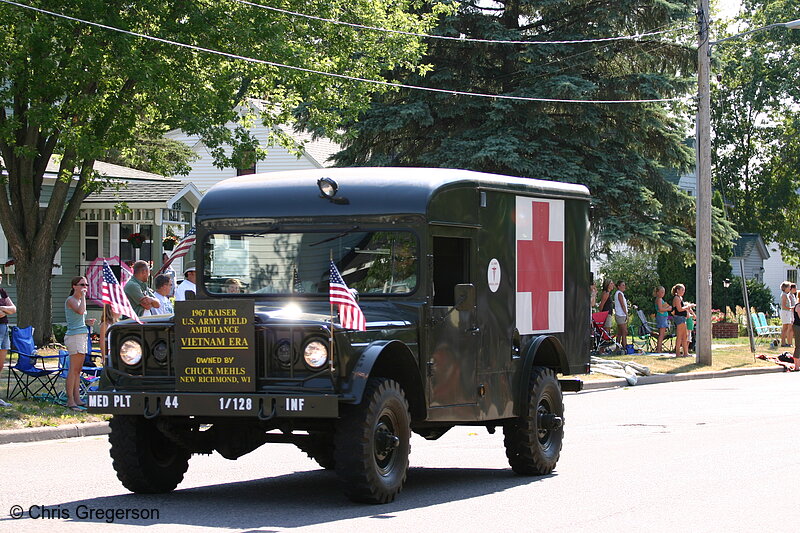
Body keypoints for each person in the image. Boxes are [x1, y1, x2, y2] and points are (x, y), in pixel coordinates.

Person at [64, 276, 96, 410]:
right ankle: (70, 400)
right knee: (73, 370)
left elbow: (79, 316)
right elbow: (80, 310)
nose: (85, 287)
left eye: (87, 285)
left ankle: (77, 398)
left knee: (78, 370)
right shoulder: (71, 300)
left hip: (82, 335)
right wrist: (83, 296)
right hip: (74, 336)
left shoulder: (79, 300)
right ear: (74, 286)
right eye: (82, 284)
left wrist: (87, 322)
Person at [0, 272, 17, 408]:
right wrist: (6, 311)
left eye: (0, 275)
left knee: (0, 366)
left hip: (4, 329)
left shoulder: (2, 292)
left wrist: (2, 309)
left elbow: (13, 309)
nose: (0, 277)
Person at [671, 283, 695, 357]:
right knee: (680, 336)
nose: (683, 291)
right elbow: (679, 309)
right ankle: (677, 353)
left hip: (683, 318)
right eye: (682, 290)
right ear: (677, 290)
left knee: (685, 336)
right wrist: (688, 306)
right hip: (679, 318)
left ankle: (685, 353)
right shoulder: (676, 298)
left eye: (684, 290)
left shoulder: (680, 298)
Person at [653, 286, 672, 353]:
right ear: (657, 292)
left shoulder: (659, 299)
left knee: (661, 334)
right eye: (661, 292)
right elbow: (660, 309)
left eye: (664, 292)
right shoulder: (659, 299)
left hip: (662, 317)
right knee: (661, 334)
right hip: (661, 317)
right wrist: (668, 309)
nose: (663, 293)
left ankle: (659, 348)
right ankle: (658, 350)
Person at [614, 280, 629, 352]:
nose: (624, 286)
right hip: (620, 314)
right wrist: (626, 314)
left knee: (619, 332)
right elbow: (622, 304)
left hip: (621, 314)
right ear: (618, 286)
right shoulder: (619, 294)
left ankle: (617, 347)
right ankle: (624, 346)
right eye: (622, 285)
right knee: (624, 331)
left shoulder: (621, 294)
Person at [779, 281, 793, 348]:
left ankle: (784, 342)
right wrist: (791, 308)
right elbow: (784, 305)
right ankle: (783, 342)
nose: (790, 288)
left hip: (787, 312)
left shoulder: (786, 294)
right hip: (785, 312)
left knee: (786, 327)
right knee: (785, 327)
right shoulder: (784, 295)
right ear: (785, 287)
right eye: (789, 287)